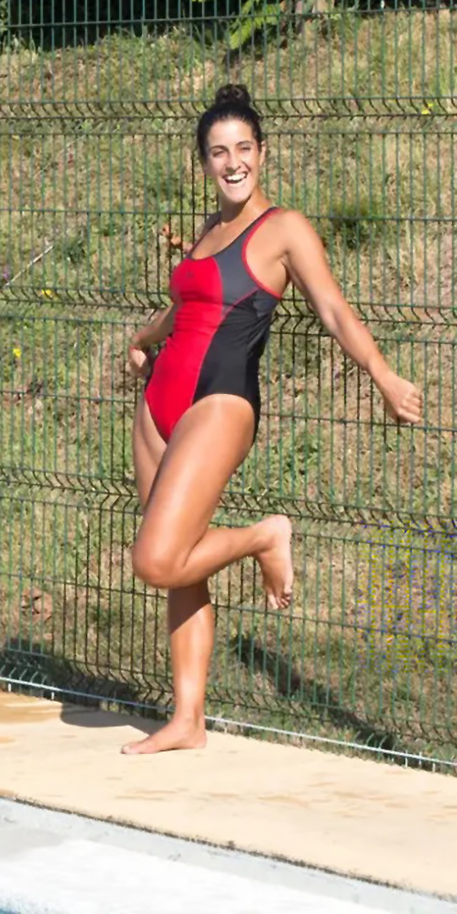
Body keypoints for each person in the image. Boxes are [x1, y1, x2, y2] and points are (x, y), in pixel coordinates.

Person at [123, 85, 421, 756]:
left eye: (244, 150)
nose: (233, 163)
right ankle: (188, 719)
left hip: (219, 404)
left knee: (156, 557)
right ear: (204, 160)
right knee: (181, 570)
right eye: (219, 152)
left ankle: (264, 535)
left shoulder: (282, 229)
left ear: (263, 153)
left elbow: (334, 311)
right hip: (158, 403)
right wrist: (142, 338)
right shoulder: (208, 227)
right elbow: (184, 304)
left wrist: (382, 375)